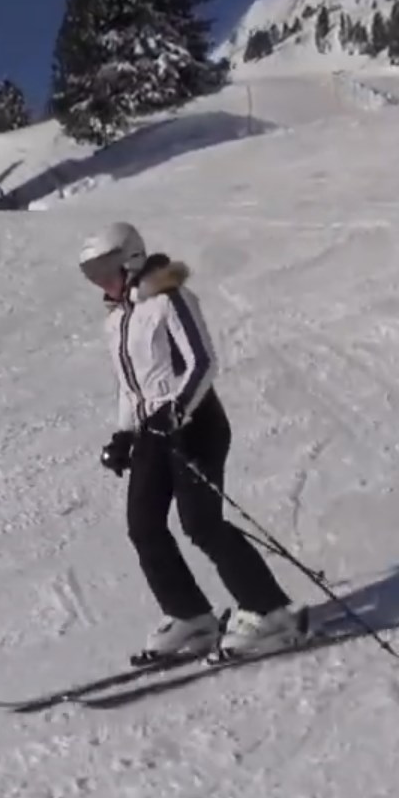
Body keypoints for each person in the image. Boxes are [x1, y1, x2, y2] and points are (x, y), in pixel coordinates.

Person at [77, 221, 308, 664]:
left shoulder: (170, 299)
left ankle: (269, 611)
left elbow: (203, 362)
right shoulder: (118, 321)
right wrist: (125, 433)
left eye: (105, 267)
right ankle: (191, 615)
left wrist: (177, 409)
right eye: (91, 273)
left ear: (131, 258)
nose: (101, 280)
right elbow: (131, 387)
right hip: (152, 430)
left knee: (200, 522)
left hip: (195, 424)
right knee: (143, 527)